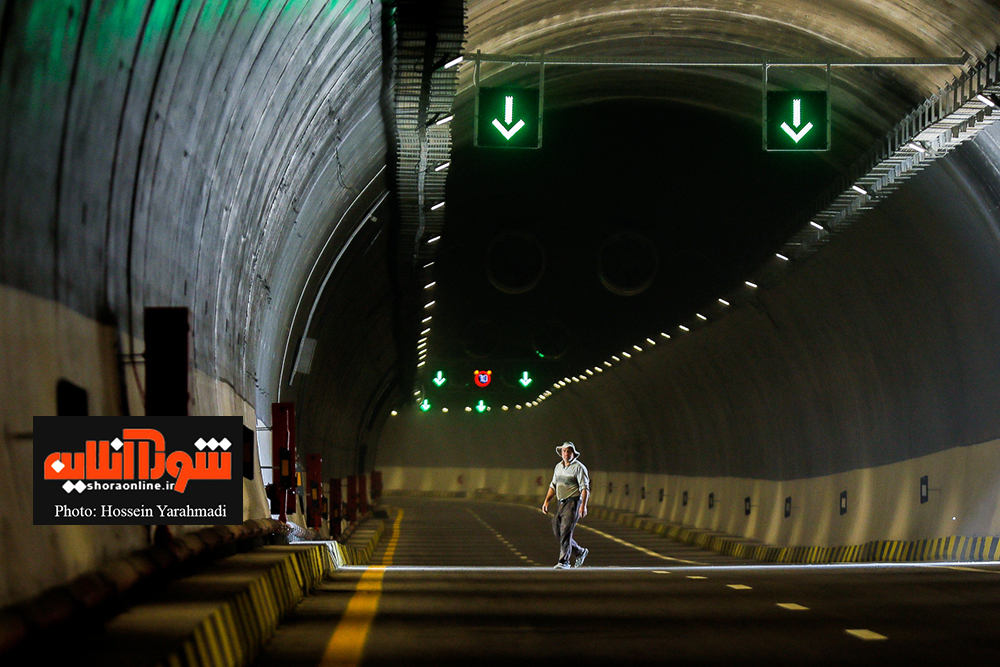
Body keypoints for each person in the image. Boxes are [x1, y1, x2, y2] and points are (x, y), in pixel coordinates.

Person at [541, 441, 590, 569]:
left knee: (565, 531)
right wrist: (546, 501)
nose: (566, 453)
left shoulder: (579, 468)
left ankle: (564, 561)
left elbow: (585, 488)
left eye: (569, 451)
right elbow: (553, 485)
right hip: (560, 502)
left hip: (573, 502)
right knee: (557, 529)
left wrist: (583, 505)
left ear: (573, 453)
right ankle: (580, 552)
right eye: (564, 451)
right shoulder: (558, 467)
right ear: (561, 453)